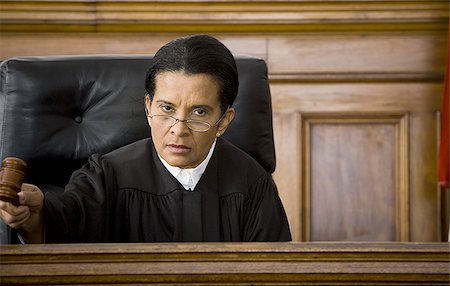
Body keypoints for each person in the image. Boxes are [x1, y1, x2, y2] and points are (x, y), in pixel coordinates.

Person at [0, 34, 291, 243]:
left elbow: (270, 279)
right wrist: (34, 215)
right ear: (148, 108)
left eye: (199, 111)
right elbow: (64, 222)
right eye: (166, 108)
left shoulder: (253, 185)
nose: (179, 128)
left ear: (223, 121)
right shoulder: (107, 174)